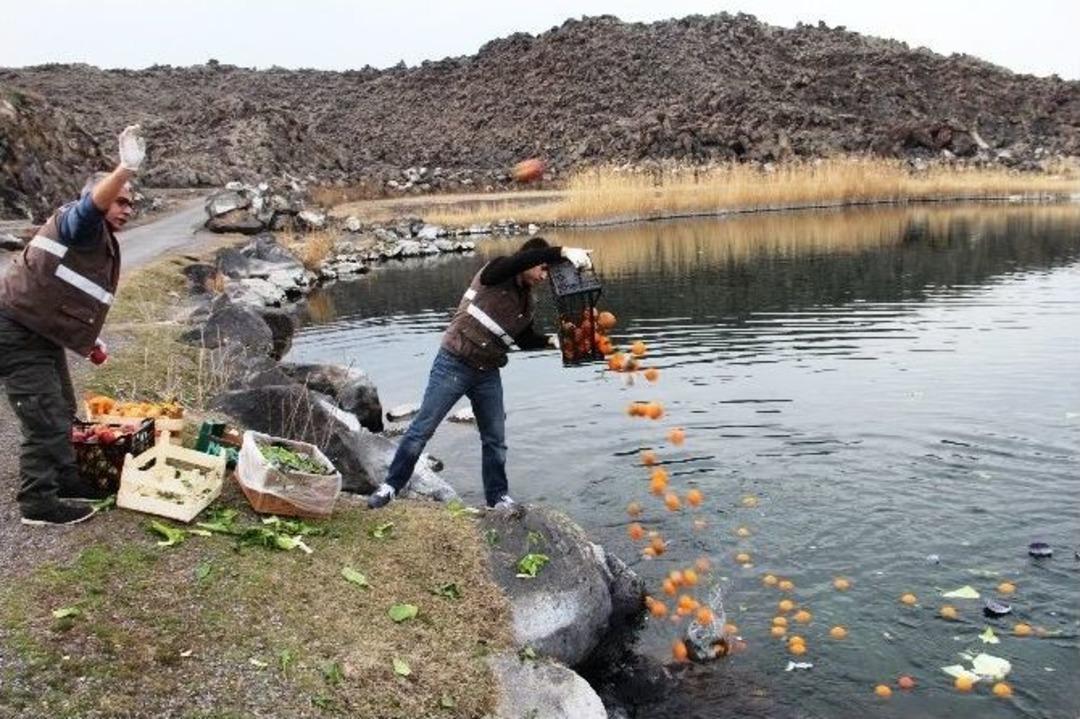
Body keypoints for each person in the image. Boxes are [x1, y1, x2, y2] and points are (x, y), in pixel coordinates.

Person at [368, 237, 593, 510]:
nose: (545, 276)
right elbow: (515, 263)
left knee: (495, 439)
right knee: (421, 430)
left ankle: (497, 498)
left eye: (547, 271)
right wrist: (564, 250)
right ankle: (390, 486)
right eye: (542, 268)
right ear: (529, 261)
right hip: (454, 363)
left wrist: (552, 342)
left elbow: (522, 339)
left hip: (487, 372)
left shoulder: (527, 303)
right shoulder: (497, 271)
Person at [0, 125, 146, 526]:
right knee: (43, 416)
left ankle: (66, 479)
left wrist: (90, 338)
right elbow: (91, 208)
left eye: (130, 204)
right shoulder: (79, 221)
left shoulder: (95, 236)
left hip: (38, 330)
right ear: (96, 200)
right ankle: (38, 504)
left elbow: (67, 293)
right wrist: (125, 169)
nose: (126, 209)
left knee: (62, 409)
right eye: (119, 201)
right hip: (14, 331)